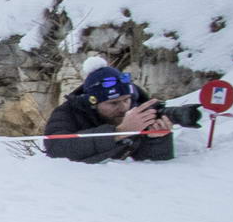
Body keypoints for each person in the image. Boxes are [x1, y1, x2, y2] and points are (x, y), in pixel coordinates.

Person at [42, 66, 177, 163]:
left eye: (126, 99)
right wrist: (120, 132)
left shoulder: (141, 109)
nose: (123, 107)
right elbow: (56, 149)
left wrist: (157, 139)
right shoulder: (69, 112)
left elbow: (155, 165)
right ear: (93, 103)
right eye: (113, 103)